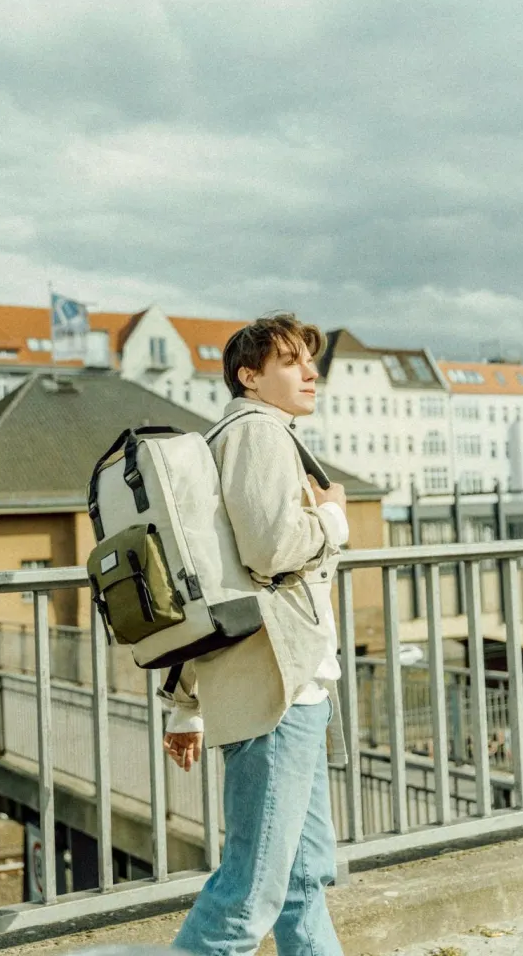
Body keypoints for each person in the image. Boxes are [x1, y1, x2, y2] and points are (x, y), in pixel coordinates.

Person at [163, 314, 348, 956]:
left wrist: (186, 706)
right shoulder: (259, 433)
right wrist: (333, 519)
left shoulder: (234, 437)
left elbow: (215, 579)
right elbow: (271, 549)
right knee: (252, 890)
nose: (310, 373)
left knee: (302, 879)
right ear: (249, 375)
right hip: (278, 693)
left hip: (287, 684)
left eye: (310, 361)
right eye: (291, 362)